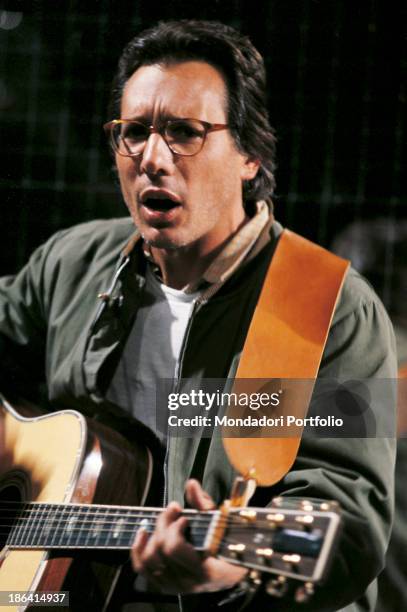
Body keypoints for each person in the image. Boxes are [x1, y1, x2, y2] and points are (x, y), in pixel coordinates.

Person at [0, 20, 397, 612]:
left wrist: (228, 573)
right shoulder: (71, 263)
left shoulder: (328, 308)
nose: (152, 158)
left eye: (184, 132)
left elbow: (344, 522)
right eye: (134, 133)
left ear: (249, 155)